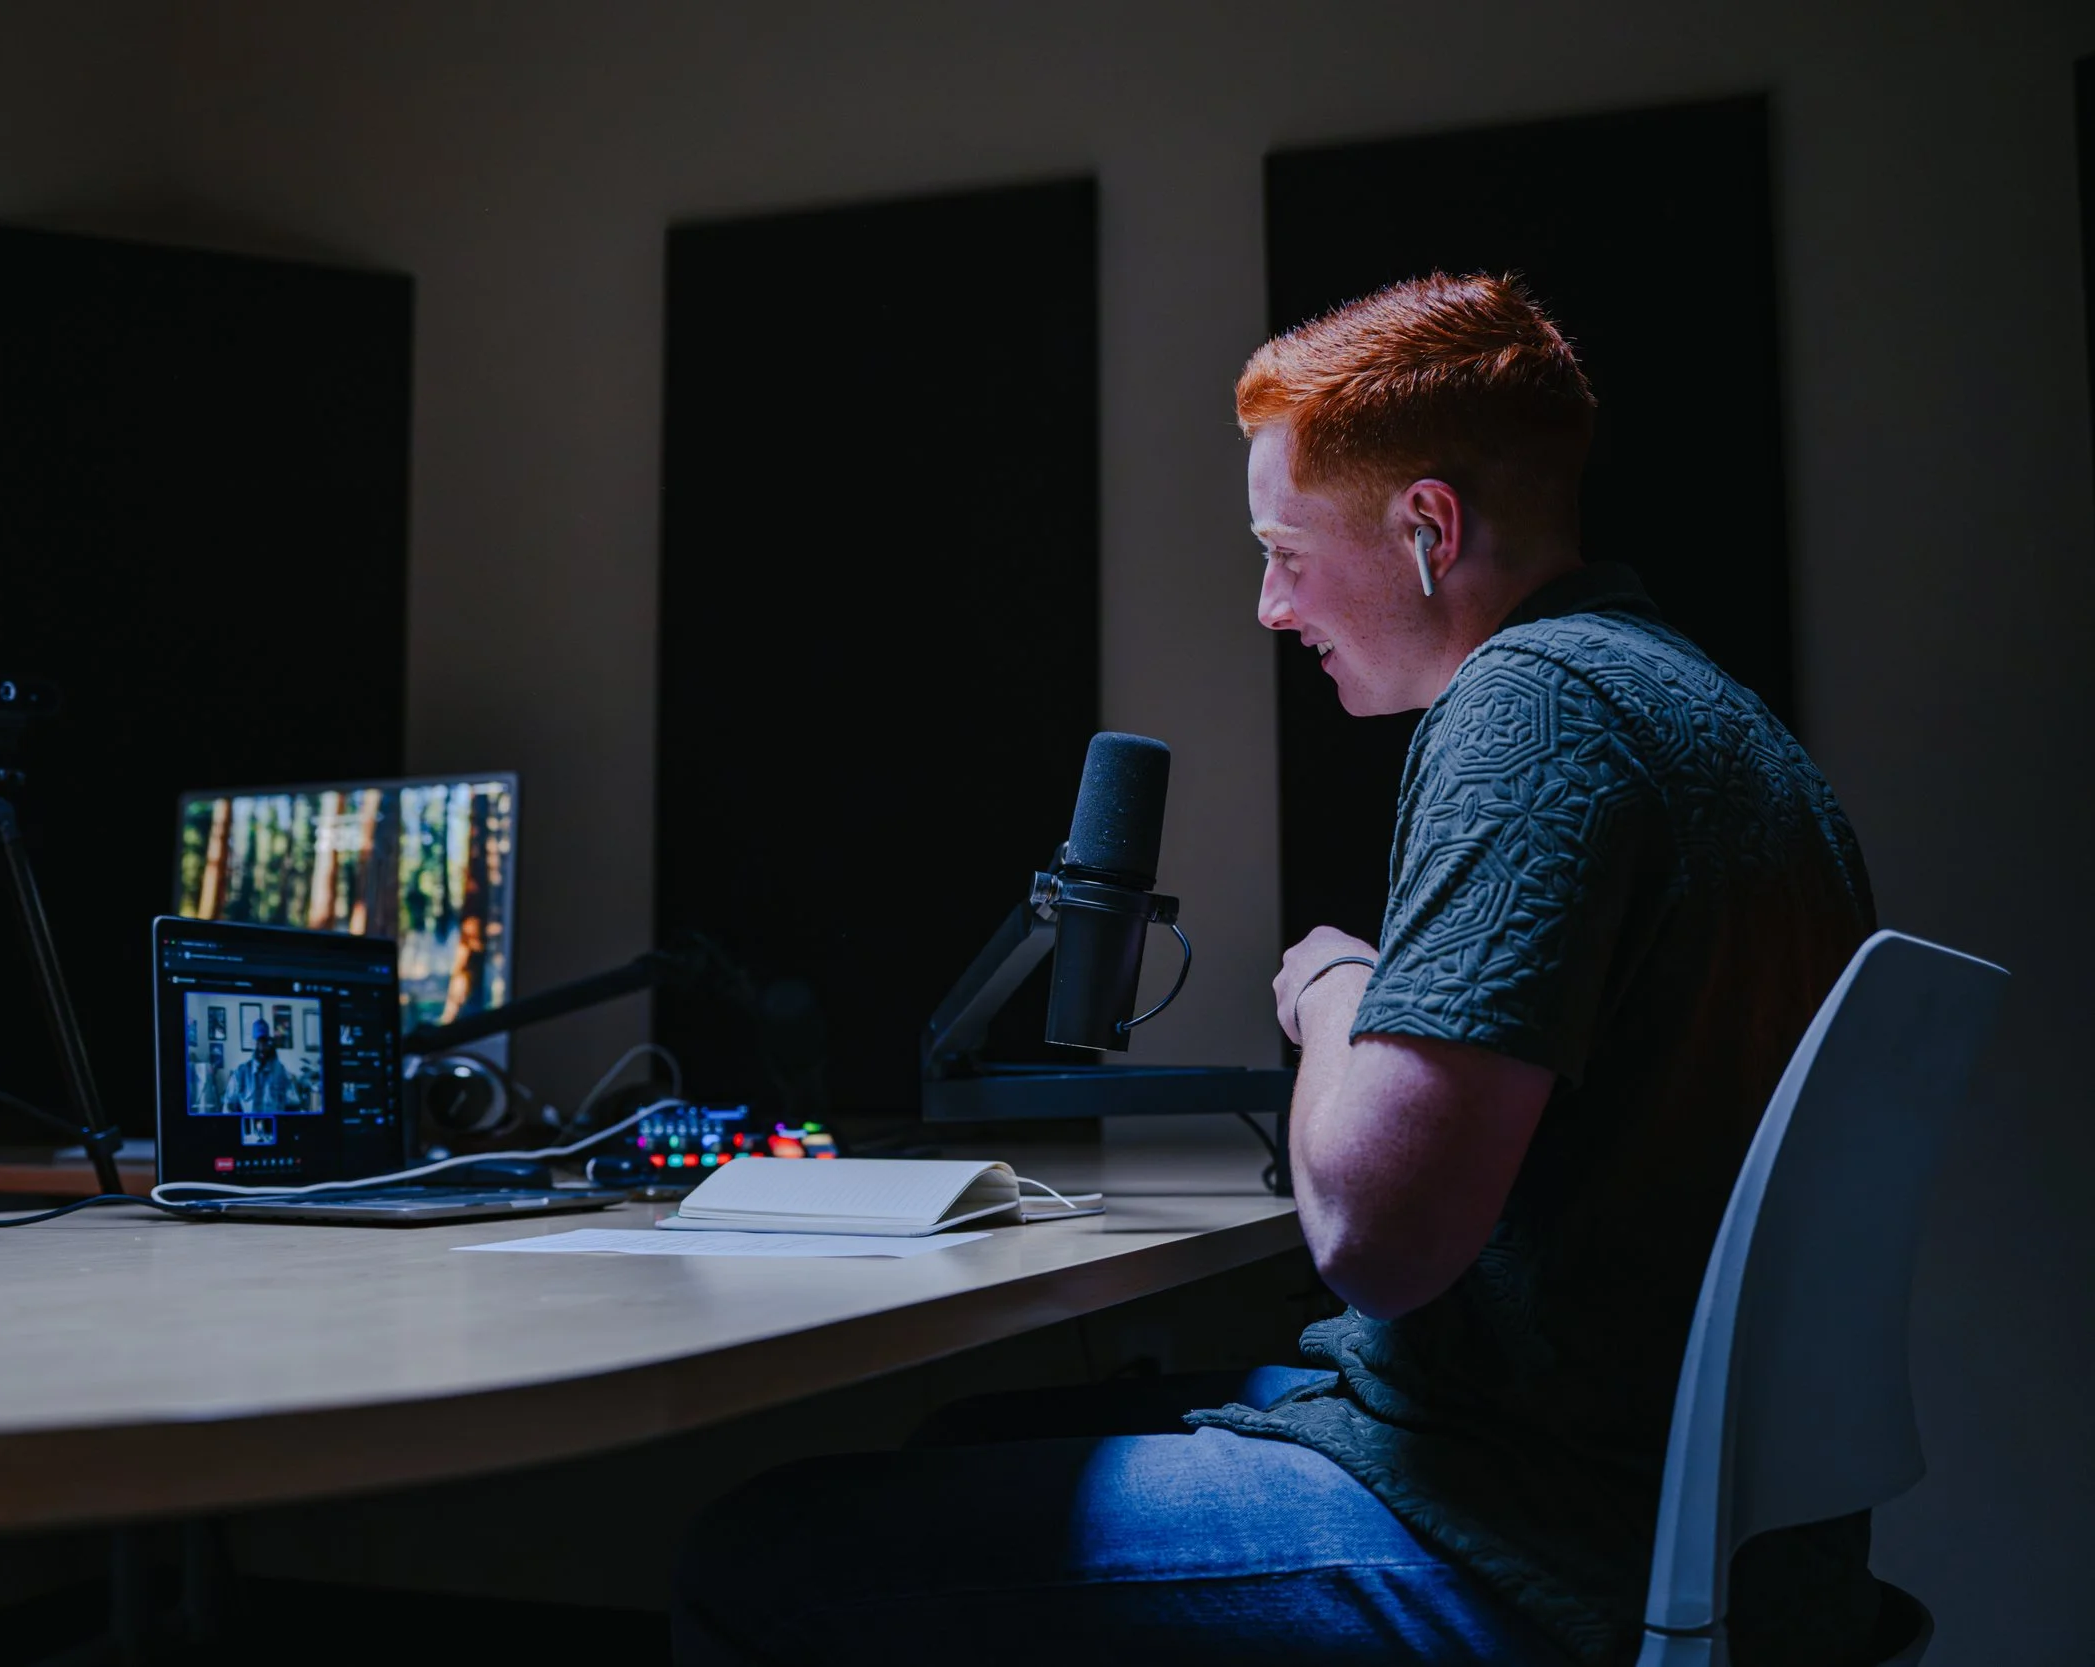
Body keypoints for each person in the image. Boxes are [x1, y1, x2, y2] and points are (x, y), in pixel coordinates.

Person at [671, 274, 1878, 1667]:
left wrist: (1334, 994)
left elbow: (1373, 1238)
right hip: (1706, 1525)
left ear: (1428, 529)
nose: (1267, 604)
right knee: (965, 1436)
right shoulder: (1711, 713)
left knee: (761, 1556)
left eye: (1284, 550)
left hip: (1546, 1538)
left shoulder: (1531, 708)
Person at [223, 1019, 309, 1116]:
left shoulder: (281, 1071)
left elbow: (295, 1104)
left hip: (274, 1124)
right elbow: (227, 1106)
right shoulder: (240, 1073)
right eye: (258, 1042)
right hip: (250, 1124)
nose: (261, 1047)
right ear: (253, 1043)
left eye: (264, 1042)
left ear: (269, 1043)